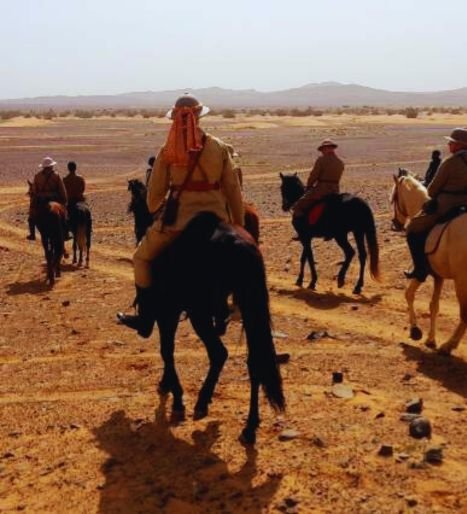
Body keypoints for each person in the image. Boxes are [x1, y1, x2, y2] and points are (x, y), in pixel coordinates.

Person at [117, 94, 244, 337]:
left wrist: (158, 209)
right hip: (217, 216)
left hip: (179, 222)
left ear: (175, 119)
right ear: (198, 117)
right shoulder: (217, 146)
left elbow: (153, 197)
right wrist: (238, 224)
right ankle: (235, 305)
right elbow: (233, 189)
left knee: (141, 258)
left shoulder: (168, 151)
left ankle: (145, 319)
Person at [405, 128, 467, 282]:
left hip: (448, 204)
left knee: (413, 229)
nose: (449, 145)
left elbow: (432, 190)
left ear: (459, 145)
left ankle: (420, 269)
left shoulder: (450, 162)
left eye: (451, 143)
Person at [292, 139, 344, 220]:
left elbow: (314, 175)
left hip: (322, 190)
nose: (322, 152)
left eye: (323, 149)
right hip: (335, 190)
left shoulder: (321, 160)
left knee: (299, 205)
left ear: (327, 148)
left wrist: (309, 186)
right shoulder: (340, 162)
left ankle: (303, 224)